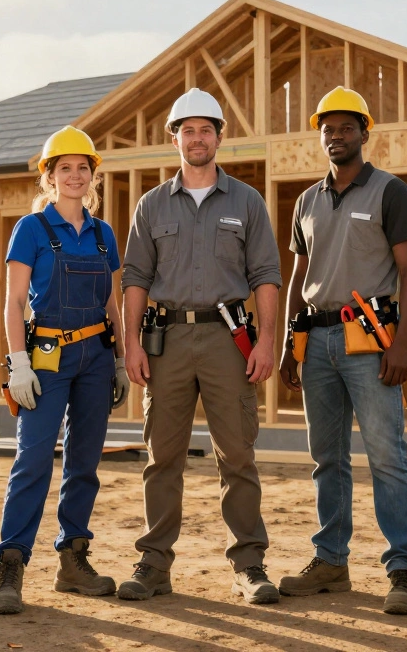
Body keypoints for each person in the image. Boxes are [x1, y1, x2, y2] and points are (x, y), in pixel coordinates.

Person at [117, 88, 283, 605]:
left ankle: (250, 566)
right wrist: (132, 346)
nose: (196, 138)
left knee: (237, 455)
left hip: (228, 340)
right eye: (186, 130)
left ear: (219, 137)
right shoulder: (151, 205)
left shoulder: (247, 201)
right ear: (174, 138)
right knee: (161, 456)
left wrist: (268, 342)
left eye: (205, 129)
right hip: (163, 342)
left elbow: (267, 276)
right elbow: (136, 280)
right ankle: (154, 565)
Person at [276, 87, 407, 615]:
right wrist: (291, 346)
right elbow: (299, 276)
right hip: (316, 343)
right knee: (327, 458)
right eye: (327, 129)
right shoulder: (306, 201)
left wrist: (403, 343)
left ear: (365, 132)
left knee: (387, 456)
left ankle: (403, 569)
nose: (335, 137)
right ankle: (330, 562)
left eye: (345, 128)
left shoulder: (390, 192)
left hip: (370, 343)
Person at [0, 126, 131, 615]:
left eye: (83, 168)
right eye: (64, 168)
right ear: (48, 177)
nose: (75, 176)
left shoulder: (102, 233)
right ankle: (11, 565)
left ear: (93, 176)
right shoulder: (30, 229)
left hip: (95, 356)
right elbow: (12, 304)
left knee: (84, 462)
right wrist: (18, 364)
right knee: (32, 460)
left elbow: (111, 300)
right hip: (45, 357)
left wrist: (119, 357)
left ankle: (73, 560)